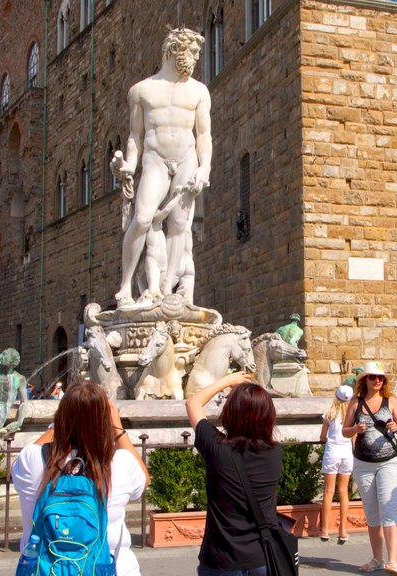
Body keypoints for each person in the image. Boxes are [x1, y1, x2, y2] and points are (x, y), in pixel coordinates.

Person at [113, 27, 212, 308]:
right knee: (143, 219)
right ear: (173, 50)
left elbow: (204, 136)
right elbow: (135, 137)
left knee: (180, 226)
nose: (195, 59)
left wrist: (205, 167)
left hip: (186, 158)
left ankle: (166, 289)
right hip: (155, 159)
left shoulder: (199, 92)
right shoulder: (141, 91)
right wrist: (129, 165)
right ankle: (125, 287)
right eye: (192, 52)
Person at [12, 379, 147, 576]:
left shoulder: (32, 459)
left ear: (61, 417)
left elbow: (27, 454)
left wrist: (60, 422)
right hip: (110, 568)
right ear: (105, 420)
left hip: (45, 569)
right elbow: (144, 477)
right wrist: (117, 427)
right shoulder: (121, 463)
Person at [185, 371, 282, 576]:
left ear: (229, 413)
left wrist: (226, 381)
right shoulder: (275, 452)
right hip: (263, 557)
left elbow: (193, 403)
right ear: (268, 416)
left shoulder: (217, 449)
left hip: (222, 559)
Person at [341, 361, 397, 576]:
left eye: (380, 377)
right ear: (365, 380)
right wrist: (355, 428)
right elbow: (344, 431)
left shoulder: (391, 401)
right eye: (372, 377)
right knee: (372, 515)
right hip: (363, 464)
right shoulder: (356, 403)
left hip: (389, 462)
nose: (377, 380)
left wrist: (396, 426)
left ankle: (393, 561)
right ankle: (377, 559)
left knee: (389, 511)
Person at [319, 385, 354, 544]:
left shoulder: (330, 414)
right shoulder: (352, 416)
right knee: (343, 492)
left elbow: (322, 437)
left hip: (332, 453)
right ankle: (343, 530)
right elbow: (354, 439)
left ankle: (325, 530)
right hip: (346, 454)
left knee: (328, 492)